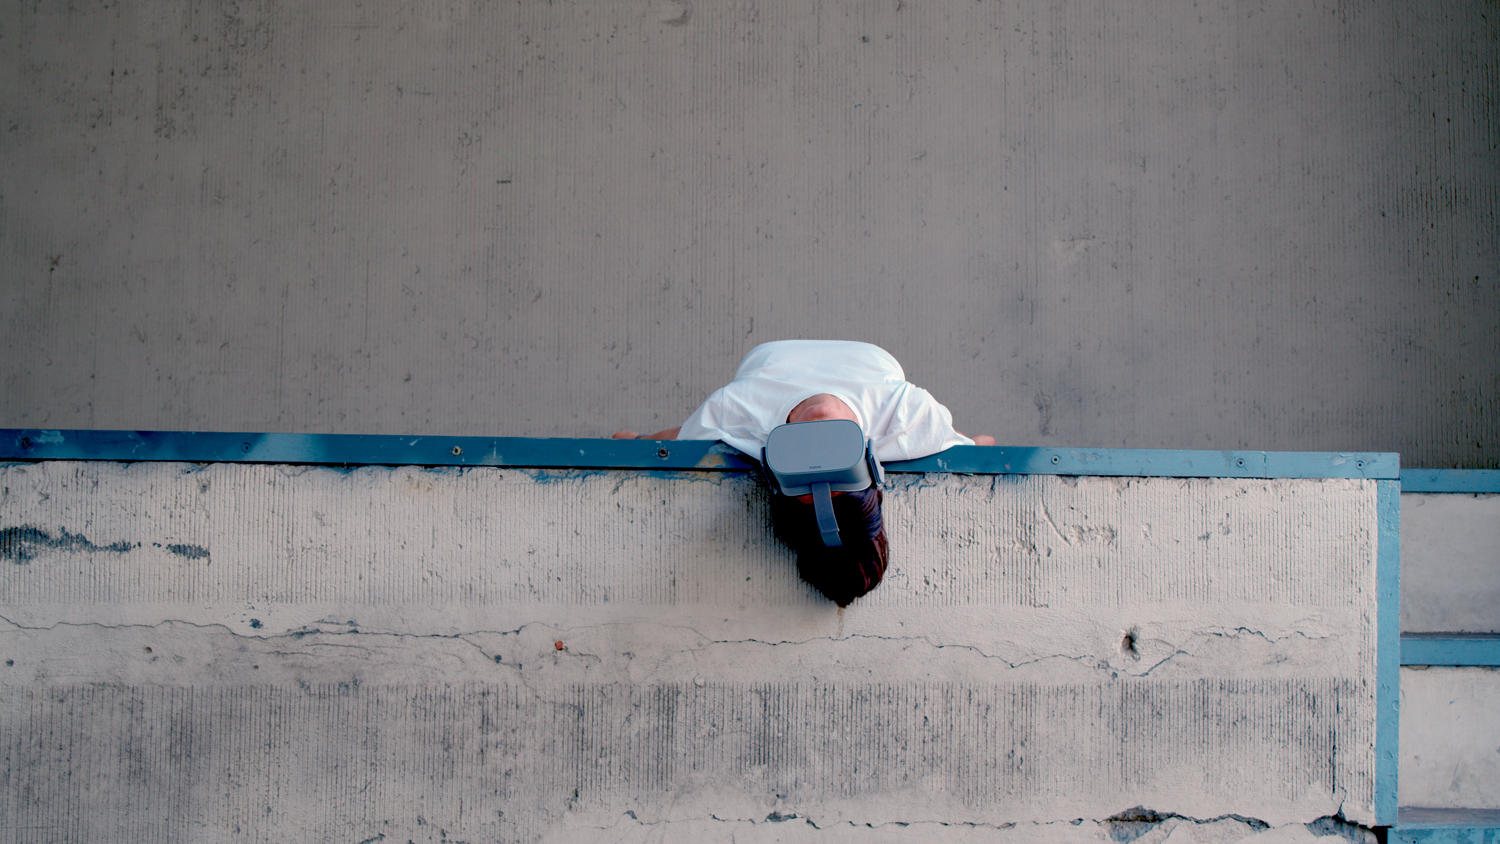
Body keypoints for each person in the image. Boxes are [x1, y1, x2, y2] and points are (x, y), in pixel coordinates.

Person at [612, 340, 993, 606]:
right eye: (841, 470)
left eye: (804, 470)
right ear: (872, 471)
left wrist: (637, 441)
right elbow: (985, 449)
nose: (820, 430)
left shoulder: (733, 414)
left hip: (768, 363)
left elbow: (669, 445)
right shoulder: (910, 417)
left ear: (776, 475)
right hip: (872, 363)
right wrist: (973, 444)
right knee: (970, 442)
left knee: (680, 438)